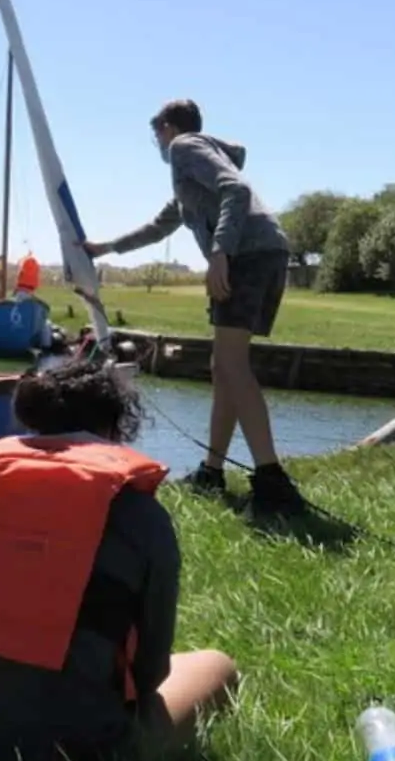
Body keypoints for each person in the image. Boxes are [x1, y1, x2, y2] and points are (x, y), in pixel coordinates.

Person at [0, 358, 238, 761]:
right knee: (218, 666)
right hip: (90, 758)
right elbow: (150, 675)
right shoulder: (143, 514)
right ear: (112, 429)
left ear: (34, 426)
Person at [83, 98, 305, 515]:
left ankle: (272, 481)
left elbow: (234, 191)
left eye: (157, 136)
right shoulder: (191, 179)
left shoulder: (185, 147)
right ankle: (212, 470)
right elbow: (159, 226)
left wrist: (220, 252)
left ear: (166, 127)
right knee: (225, 367)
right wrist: (106, 248)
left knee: (232, 365)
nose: (159, 144)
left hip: (246, 256)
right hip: (264, 253)